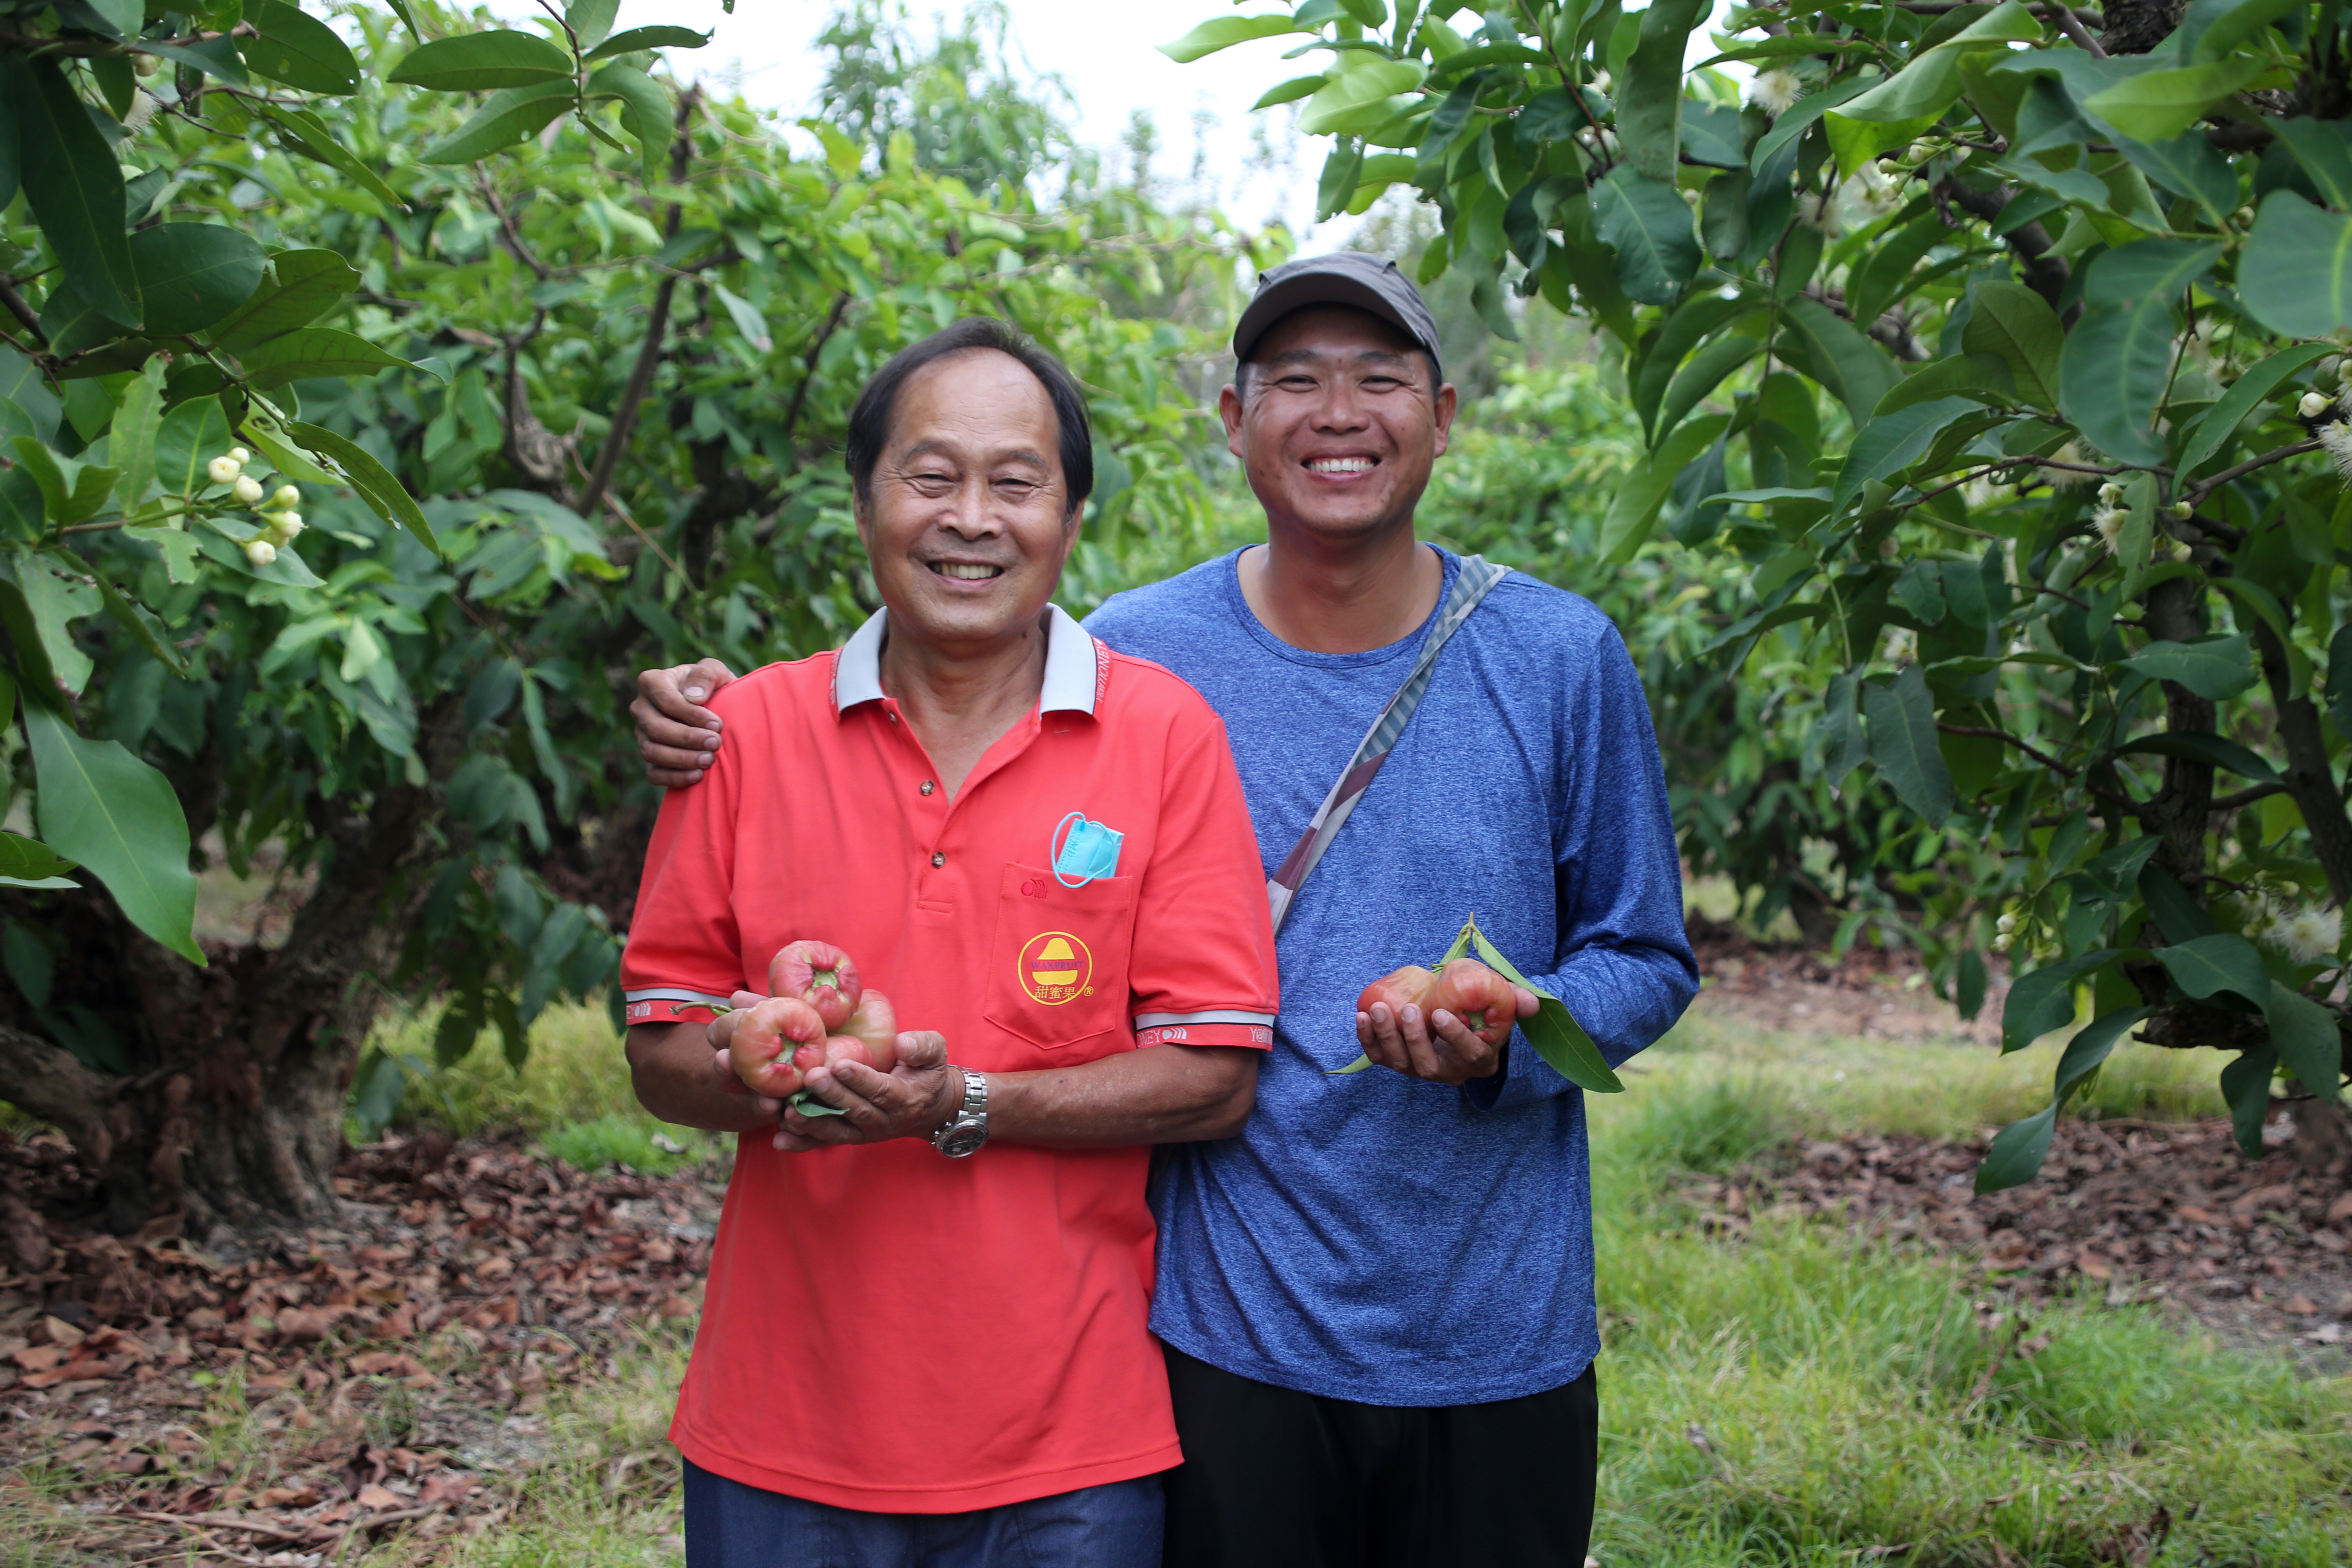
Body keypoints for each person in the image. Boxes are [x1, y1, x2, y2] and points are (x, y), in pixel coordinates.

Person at [633, 256, 1699, 1567]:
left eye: (1379, 380)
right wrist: (712, 722)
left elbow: (1645, 949)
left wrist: (1521, 1029)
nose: (1337, 413)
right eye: (1293, 380)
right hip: (1220, 1322)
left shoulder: (1555, 656)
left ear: (1445, 411)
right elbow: (928, 664)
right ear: (1232, 417)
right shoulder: (1143, 651)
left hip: (1490, 1318)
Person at [619, 315, 1280, 1568]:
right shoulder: (744, 732)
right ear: (863, 501)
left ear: (1070, 521)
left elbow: (1212, 1078)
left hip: (1069, 1445)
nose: (970, 517)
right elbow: (659, 1055)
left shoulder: (1161, 737)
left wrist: (959, 1102)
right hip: (785, 1425)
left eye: (1014, 482)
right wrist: (755, 1063)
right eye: (930, 476)